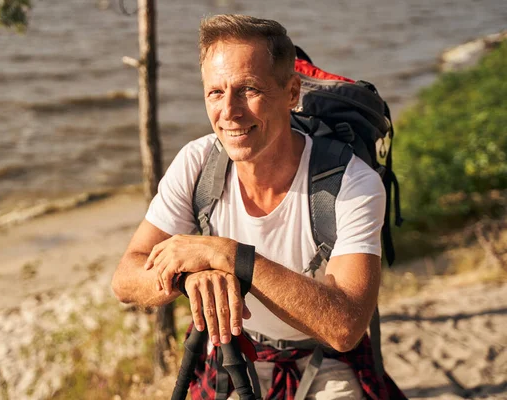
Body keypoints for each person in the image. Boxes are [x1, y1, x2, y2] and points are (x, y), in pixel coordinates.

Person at [112, 14, 404, 400]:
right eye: (215, 92)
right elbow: (125, 279)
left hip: (324, 356)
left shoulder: (350, 182)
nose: (229, 112)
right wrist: (188, 278)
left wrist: (227, 255)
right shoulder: (198, 163)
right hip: (233, 348)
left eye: (248, 90)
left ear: (292, 92)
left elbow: (345, 327)